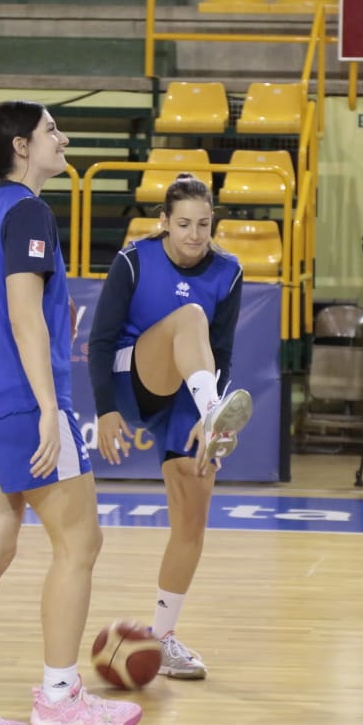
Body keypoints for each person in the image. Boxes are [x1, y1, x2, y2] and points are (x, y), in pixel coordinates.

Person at [0, 100, 142, 725]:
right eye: (52, 130)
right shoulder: (27, 212)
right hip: (21, 404)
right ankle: (59, 698)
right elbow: (23, 316)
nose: (63, 137)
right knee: (80, 544)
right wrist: (49, 409)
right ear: (22, 146)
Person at [87, 173, 252, 680]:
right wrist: (105, 409)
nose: (194, 235)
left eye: (204, 224)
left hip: (189, 388)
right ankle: (212, 413)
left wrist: (209, 403)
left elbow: (219, 354)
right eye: (183, 224)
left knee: (192, 517)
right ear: (164, 222)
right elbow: (99, 339)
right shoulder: (134, 261)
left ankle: (163, 639)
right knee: (189, 318)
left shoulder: (229, 271)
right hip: (134, 375)